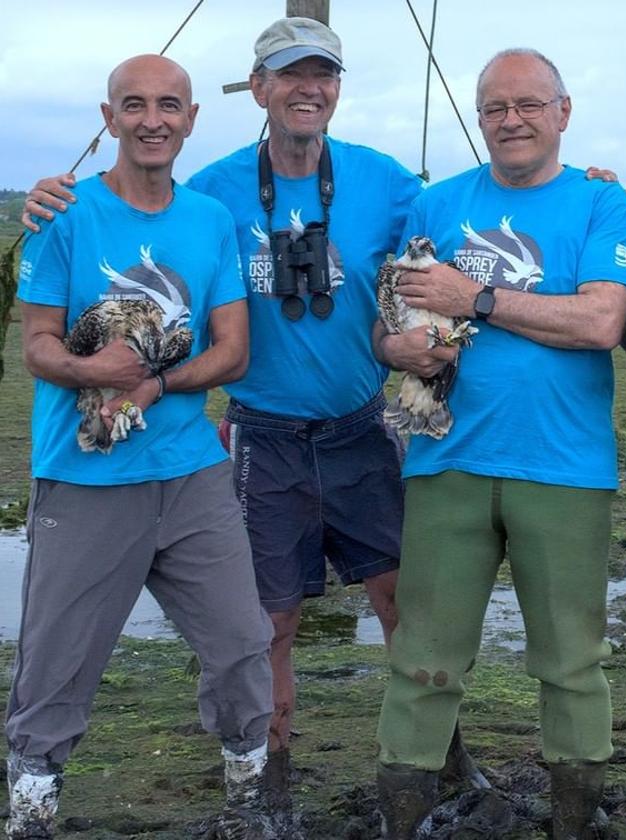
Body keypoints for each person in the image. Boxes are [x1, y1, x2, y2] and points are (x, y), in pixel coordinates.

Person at [20, 17, 484, 819]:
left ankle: (444, 759)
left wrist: (581, 178)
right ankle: (267, 786)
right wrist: (46, 196)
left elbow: (470, 217)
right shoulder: (215, 192)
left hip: (359, 426)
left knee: (403, 600)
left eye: (323, 75)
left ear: (337, 88)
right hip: (261, 436)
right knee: (268, 624)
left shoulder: (386, 180)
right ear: (257, 89)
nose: (308, 89)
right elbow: (141, 212)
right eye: (288, 76)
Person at [370, 48, 626, 838]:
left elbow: (599, 323)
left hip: (562, 468)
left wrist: (475, 297)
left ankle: (573, 822)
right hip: (446, 460)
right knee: (422, 663)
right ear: (479, 117)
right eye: (495, 107)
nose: (510, 120)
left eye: (528, 105)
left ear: (562, 112)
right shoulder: (435, 204)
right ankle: (403, 820)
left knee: (570, 664)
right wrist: (403, 350)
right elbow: (386, 325)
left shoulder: (601, 205)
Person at [8, 55, 274, 839]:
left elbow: (233, 352)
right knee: (57, 664)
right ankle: (29, 814)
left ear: (191, 119)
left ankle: (247, 802)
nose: (152, 119)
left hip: (191, 474)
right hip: (85, 477)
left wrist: (152, 386)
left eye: (168, 105)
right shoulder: (65, 216)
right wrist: (94, 369)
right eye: (134, 105)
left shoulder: (208, 221)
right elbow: (35, 345)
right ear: (109, 117)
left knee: (240, 644)